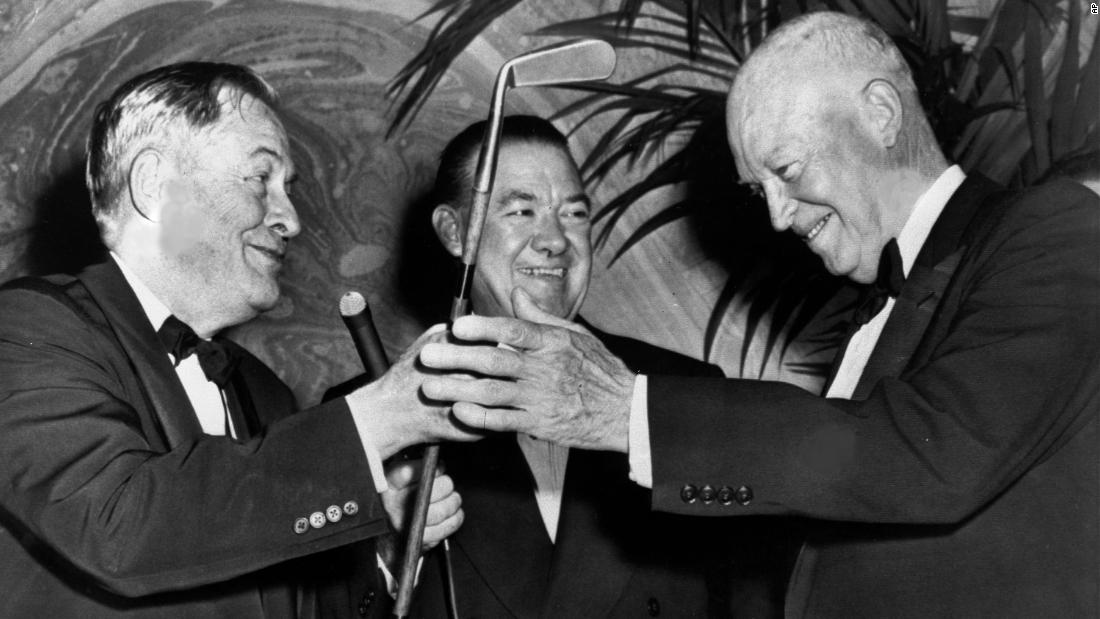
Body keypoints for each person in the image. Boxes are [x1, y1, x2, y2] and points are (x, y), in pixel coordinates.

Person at [416, 12, 1100, 618]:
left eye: (789, 169)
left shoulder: (1055, 227)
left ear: (882, 115)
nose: (776, 215)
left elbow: (934, 447)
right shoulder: (878, 305)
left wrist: (625, 410)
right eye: (758, 189)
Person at [0, 61, 477, 618]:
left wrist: (387, 549)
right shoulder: (26, 328)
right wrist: (377, 418)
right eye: (260, 180)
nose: (291, 220)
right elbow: (116, 530)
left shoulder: (264, 390)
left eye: (287, 189)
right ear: (157, 187)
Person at [388, 115, 783, 617]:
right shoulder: (386, 419)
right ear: (454, 232)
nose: (554, 239)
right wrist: (388, 553)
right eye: (522, 211)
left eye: (574, 213)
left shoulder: (685, 391)